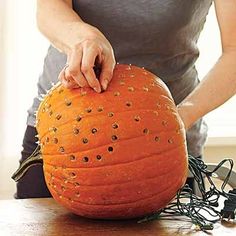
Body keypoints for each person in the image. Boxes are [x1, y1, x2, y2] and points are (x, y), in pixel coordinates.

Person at [15, 0, 236, 198]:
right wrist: (84, 38)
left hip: (165, 144)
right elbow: (49, 8)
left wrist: (180, 117)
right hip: (64, 133)